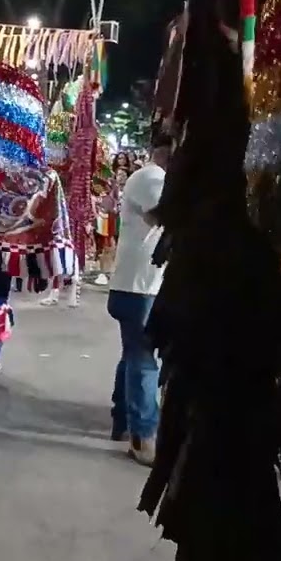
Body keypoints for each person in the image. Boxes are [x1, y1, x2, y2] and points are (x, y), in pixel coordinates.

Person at [106, 133, 169, 466]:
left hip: (139, 285)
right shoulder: (151, 178)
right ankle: (143, 436)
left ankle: (123, 422)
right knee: (143, 359)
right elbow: (164, 216)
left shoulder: (154, 177)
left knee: (132, 354)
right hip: (138, 286)